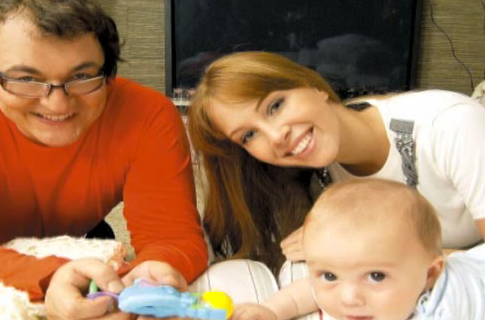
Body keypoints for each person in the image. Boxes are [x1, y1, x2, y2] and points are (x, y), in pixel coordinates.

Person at [0, 0, 208, 320]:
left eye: (83, 76)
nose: (57, 104)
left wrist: (152, 275)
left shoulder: (149, 114)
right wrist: (50, 278)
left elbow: (172, 237)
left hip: (74, 241)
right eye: (26, 79)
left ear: (109, 71)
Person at [187, 51, 485, 273]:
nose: (276, 136)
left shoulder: (450, 125)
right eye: (249, 135)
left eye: (275, 106)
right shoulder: (317, 179)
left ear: (312, 86)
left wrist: (357, 250)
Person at [231, 179, 485, 320]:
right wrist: (272, 310)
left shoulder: (437, 316)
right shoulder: (366, 284)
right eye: (330, 275)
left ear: (430, 274)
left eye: (376, 276)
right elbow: (311, 290)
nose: (349, 297)